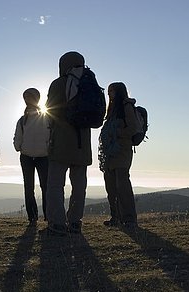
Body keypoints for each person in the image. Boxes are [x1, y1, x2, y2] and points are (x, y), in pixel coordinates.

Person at [44, 51, 95, 236]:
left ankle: (57, 223)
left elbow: (51, 111)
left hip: (62, 140)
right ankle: (75, 222)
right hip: (83, 142)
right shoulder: (89, 82)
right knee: (79, 185)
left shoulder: (59, 83)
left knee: (55, 184)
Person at [98, 82, 139, 228]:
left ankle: (129, 219)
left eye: (112, 91)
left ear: (119, 91)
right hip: (110, 153)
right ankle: (116, 217)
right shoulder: (112, 109)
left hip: (122, 151)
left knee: (122, 186)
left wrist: (116, 133)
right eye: (108, 91)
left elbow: (133, 128)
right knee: (111, 187)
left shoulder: (126, 107)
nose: (109, 94)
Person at [13, 88, 50, 226]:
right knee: (31, 187)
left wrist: (19, 147)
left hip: (41, 157)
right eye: (26, 97)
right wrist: (19, 147)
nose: (27, 99)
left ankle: (45, 215)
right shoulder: (23, 120)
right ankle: (33, 217)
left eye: (29, 97)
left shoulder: (44, 118)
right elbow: (18, 137)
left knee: (43, 187)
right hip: (29, 157)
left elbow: (50, 136)